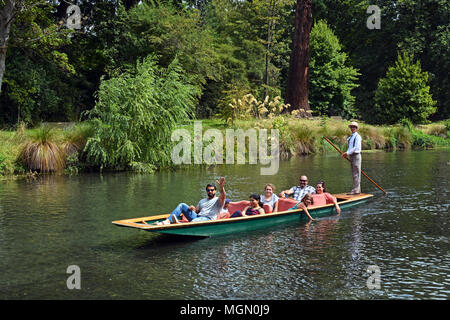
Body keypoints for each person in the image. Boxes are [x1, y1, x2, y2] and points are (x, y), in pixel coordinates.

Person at [157, 177, 226, 225]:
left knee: (194, 221)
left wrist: (222, 188)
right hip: (197, 216)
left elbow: (223, 196)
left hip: (208, 219)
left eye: (212, 190)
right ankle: (168, 221)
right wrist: (192, 208)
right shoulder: (202, 200)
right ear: (206, 191)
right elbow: (197, 211)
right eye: (208, 190)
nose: (210, 191)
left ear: (215, 191)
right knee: (182, 205)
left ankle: (180, 224)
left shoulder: (218, 200)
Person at [341, 121, 362, 195]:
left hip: (356, 155)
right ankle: (357, 189)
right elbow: (350, 147)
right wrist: (347, 153)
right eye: (351, 127)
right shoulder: (351, 137)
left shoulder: (358, 137)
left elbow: (356, 147)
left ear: (356, 128)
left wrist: (347, 153)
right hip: (352, 155)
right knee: (354, 173)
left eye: (354, 127)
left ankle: (356, 190)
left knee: (356, 173)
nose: (352, 128)